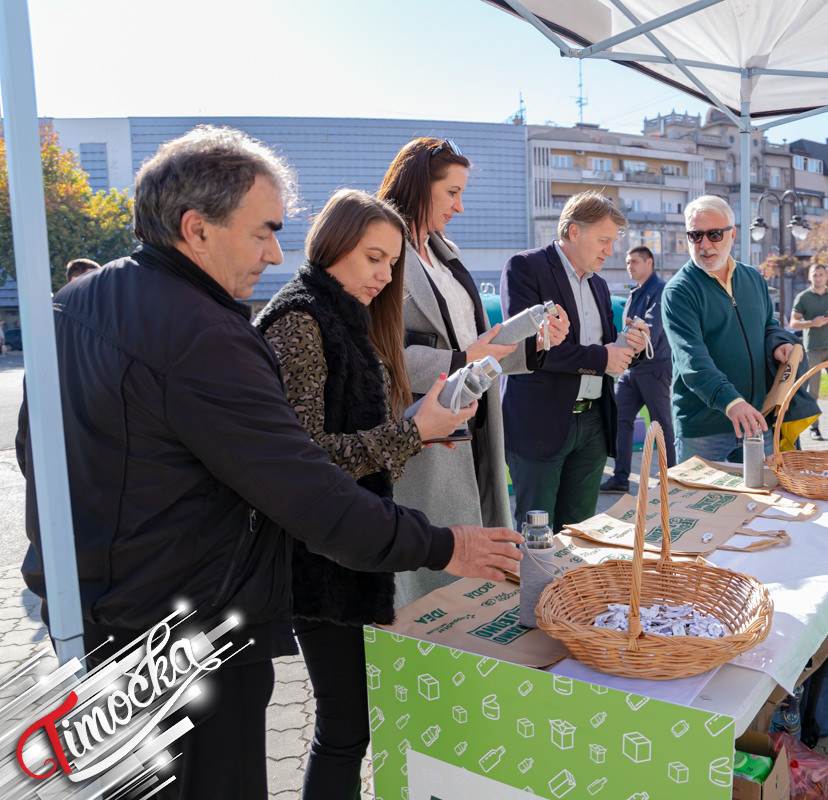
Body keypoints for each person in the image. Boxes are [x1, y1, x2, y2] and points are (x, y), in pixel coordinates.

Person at [16, 126, 522, 800]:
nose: (275, 252)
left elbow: (35, 453)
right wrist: (441, 544)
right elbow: (304, 485)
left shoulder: (73, 304)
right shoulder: (204, 333)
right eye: (262, 232)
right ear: (197, 229)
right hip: (186, 631)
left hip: (99, 612)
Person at [255, 190, 477, 798]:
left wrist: (417, 439)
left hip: (349, 548)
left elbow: (342, 435)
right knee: (344, 730)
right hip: (318, 560)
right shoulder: (300, 321)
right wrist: (411, 432)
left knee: (351, 725)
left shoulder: (342, 315)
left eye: (392, 264)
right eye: (373, 259)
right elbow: (304, 466)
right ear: (331, 246)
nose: (385, 277)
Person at [375, 138, 568, 605]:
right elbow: (380, 354)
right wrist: (459, 361)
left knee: (475, 565)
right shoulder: (384, 251)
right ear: (421, 187)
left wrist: (534, 344)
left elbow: (475, 344)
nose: (460, 207)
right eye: (452, 193)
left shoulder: (444, 253)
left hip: (476, 425)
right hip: (428, 436)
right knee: (433, 577)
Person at [500, 191, 647, 529]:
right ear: (574, 232)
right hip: (541, 424)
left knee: (580, 530)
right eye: (604, 240)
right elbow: (530, 349)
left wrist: (628, 346)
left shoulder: (599, 285)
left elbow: (604, 349)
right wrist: (603, 357)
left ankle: (572, 585)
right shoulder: (525, 267)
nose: (610, 251)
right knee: (537, 534)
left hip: (593, 424)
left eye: (612, 242)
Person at [662, 195, 801, 463]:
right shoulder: (679, 291)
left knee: (765, 503)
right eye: (695, 236)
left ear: (732, 234)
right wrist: (732, 403)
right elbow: (692, 360)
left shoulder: (753, 278)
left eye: (714, 234)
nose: (704, 245)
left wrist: (779, 344)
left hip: (758, 419)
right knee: (701, 505)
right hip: (705, 428)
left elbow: (768, 325)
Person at [600, 246, 674, 493]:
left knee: (661, 426)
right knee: (619, 419)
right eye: (627, 262)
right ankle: (621, 478)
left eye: (633, 261)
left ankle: (670, 479)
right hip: (631, 370)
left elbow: (649, 329)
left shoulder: (660, 291)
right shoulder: (635, 294)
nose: (629, 266)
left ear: (649, 262)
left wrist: (626, 343)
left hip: (654, 368)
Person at [789, 262, 828, 444]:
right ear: (809, 277)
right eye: (814, 274)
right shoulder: (803, 297)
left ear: (827, 276)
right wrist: (812, 323)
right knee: (813, 393)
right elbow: (793, 323)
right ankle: (814, 428)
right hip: (813, 350)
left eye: (821, 274)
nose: (818, 277)